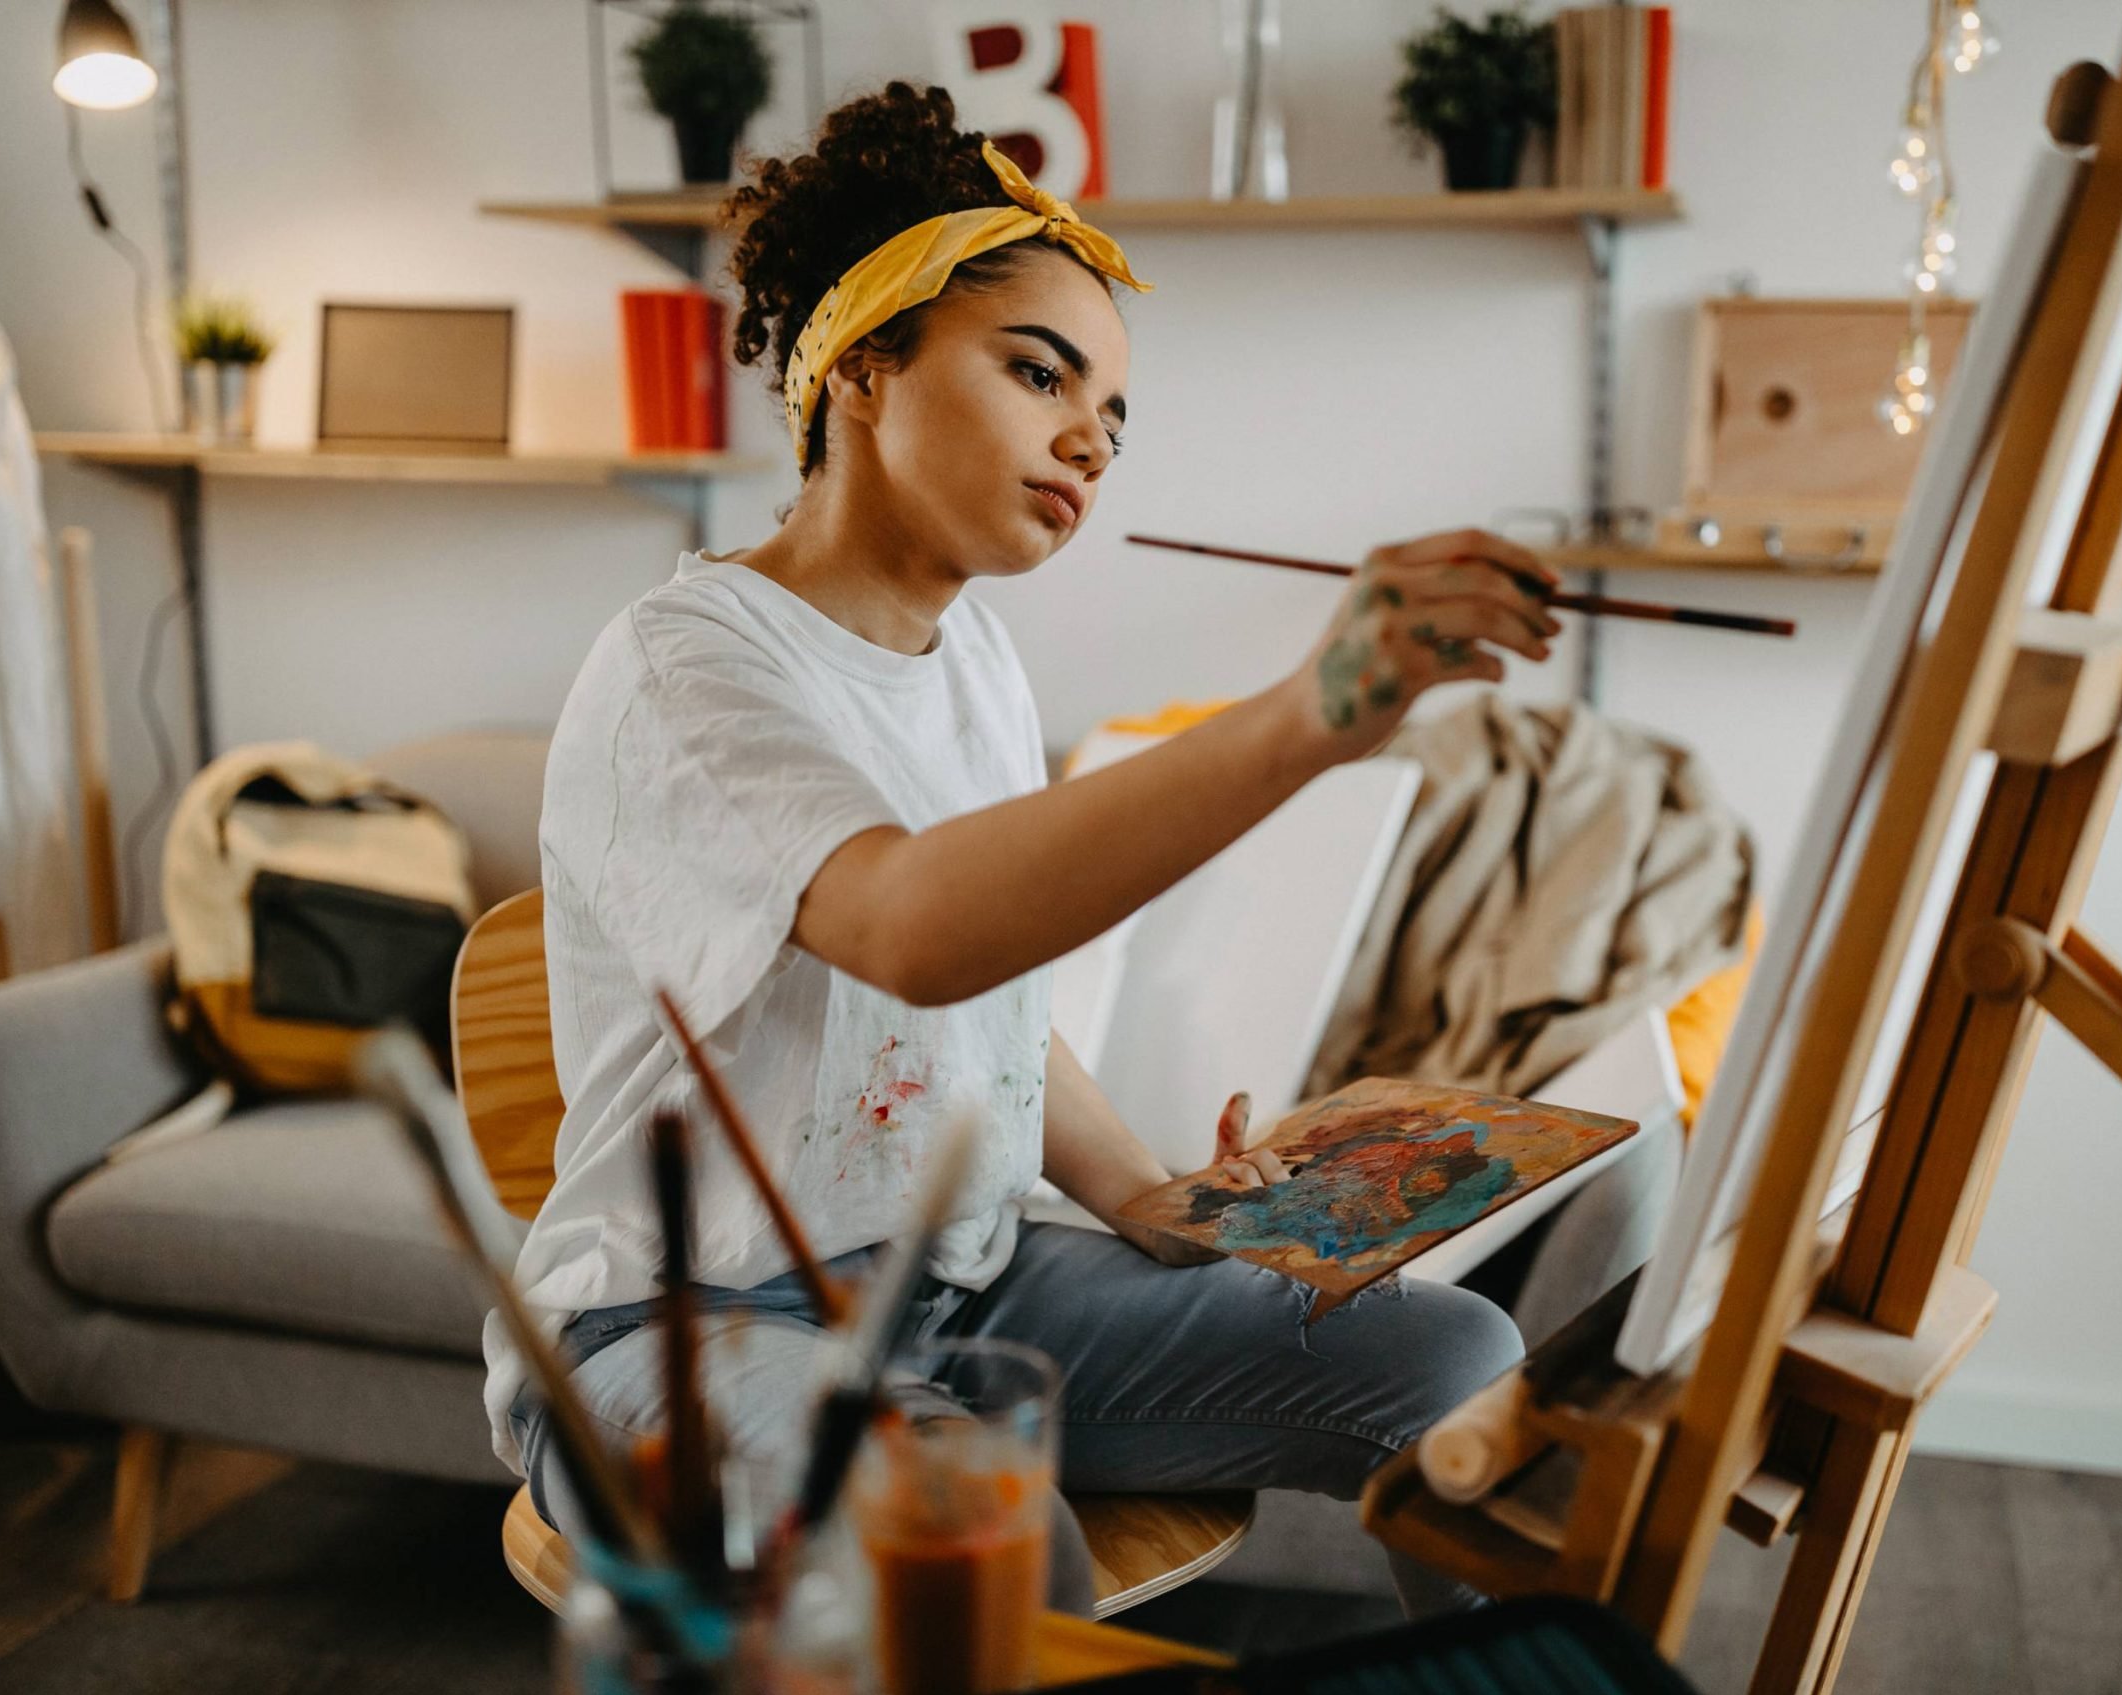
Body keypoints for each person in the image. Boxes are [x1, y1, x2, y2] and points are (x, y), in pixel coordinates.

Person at [490, 82, 1564, 1617]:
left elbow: (979, 1014)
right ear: (863, 366)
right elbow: (918, 929)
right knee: (988, 1547)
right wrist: (1308, 717)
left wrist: (1146, 1193)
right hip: (682, 1327)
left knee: (1460, 1370)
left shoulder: (978, 663)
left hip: (965, 1281)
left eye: (1114, 416)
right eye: (1040, 373)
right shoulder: (689, 665)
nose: (1089, 440)